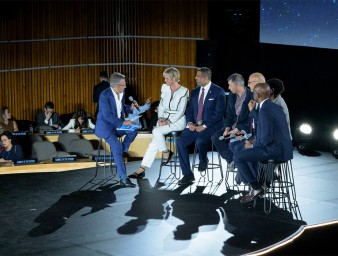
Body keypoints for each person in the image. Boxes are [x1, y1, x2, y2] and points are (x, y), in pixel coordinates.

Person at [234, 83, 293, 203]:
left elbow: (266, 139)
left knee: (239, 156)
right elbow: (263, 121)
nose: (252, 94)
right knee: (246, 152)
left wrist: (253, 144)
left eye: (254, 92)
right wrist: (252, 111)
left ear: (258, 94)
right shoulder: (270, 106)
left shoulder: (265, 109)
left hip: (275, 150)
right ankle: (259, 183)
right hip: (283, 148)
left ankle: (256, 187)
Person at [129, 67, 189, 179]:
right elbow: (161, 105)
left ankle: (164, 154)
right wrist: (161, 118)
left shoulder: (184, 91)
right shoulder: (164, 88)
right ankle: (143, 168)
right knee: (155, 139)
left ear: (174, 78)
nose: (164, 80)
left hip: (177, 121)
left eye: (166, 78)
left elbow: (181, 111)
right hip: (163, 120)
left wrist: (168, 121)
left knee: (156, 132)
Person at [176, 67, 225, 185]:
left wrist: (205, 126)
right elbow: (190, 110)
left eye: (198, 76)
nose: (195, 78)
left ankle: (204, 160)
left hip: (212, 125)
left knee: (200, 140)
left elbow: (219, 114)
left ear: (205, 78)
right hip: (195, 125)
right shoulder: (195, 91)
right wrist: (189, 123)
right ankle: (187, 175)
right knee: (180, 142)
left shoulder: (219, 91)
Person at [95, 71, 138, 187]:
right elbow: (107, 115)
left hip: (117, 125)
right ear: (115, 85)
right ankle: (123, 178)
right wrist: (124, 122)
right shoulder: (104, 96)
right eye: (123, 84)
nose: (125, 86)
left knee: (134, 130)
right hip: (106, 127)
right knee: (116, 146)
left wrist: (131, 109)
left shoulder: (122, 93)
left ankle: (121, 151)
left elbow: (121, 107)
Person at [211, 73, 253, 173]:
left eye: (230, 85)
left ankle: (239, 162)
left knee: (233, 139)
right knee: (217, 137)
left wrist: (236, 130)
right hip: (232, 129)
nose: (228, 87)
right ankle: (231, 161)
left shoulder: (251, 96)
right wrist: (227, 128)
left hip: (244, 131)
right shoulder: (232, 95)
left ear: (237, 85)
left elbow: (250, 119)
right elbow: (229, 114)